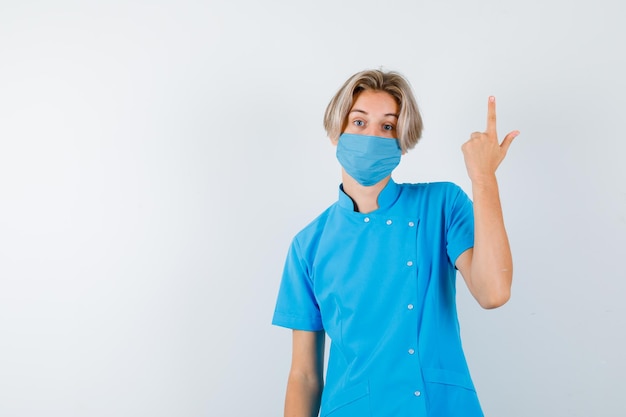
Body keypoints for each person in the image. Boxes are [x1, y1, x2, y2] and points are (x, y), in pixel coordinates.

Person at [272, 69, 519, 417]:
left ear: (402, 142)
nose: (372, 136)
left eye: (387, 127)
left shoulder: (441, 205)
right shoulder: (309, 245)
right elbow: (304, 376)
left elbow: (493, 292)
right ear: (336, 133)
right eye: (359, 122)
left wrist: (483, 177)